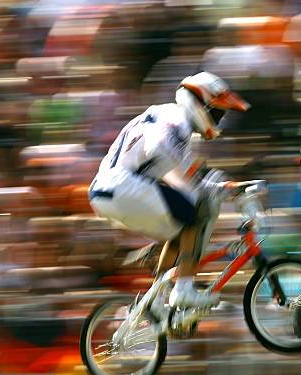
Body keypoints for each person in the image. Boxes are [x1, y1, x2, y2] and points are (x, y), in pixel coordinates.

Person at [89, 72, 250, 309]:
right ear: (200, 102)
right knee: (195, 215)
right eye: (217, 111)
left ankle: (154, 299)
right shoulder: (178, 119)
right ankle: (183, 289)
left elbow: (172, 171)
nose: (219, 118)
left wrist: (211, 184)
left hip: (108, 189)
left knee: (181, 228)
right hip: (122, 186)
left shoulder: (164, 113)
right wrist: (200, 176)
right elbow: (161, 149)